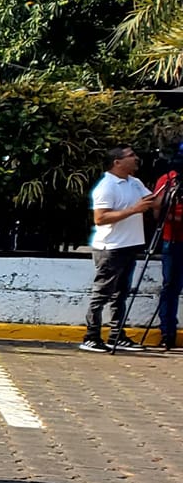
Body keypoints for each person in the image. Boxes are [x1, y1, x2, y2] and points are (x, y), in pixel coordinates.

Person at [84, 145, 160, 353]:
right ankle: (91, 336)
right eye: (131, 156)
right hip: (111, 247)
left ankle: (117, 334)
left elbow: (153, 202)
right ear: (117, 162)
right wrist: (133, 210)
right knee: (102, 293)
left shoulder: (134, 183)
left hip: (129, 245)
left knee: (121, 294)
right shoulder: (106, 186)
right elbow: (100, 218)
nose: (136, 159)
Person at [152, 144, 183, 350]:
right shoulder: (169, 179)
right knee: (170, 287)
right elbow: (157, 208)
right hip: (173, 240)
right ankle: (167, 333)